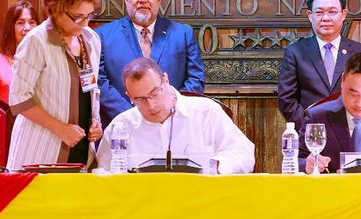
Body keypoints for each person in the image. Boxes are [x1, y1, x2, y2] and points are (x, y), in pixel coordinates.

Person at [7, 0, 103, 171]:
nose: (85, 23)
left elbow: (92, 88)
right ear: (57, 9)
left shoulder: (91, 39)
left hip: (82, 148)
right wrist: (61, 129)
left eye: (89, 16)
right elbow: (18, 98)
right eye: (77, 17)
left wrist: (96, 122)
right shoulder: (36, 41)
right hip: (41, 149)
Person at [97, 57, 254, 174]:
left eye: (154, 93)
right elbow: (102, 173)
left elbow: (243, 154)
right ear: (129, 96)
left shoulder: (206, 113)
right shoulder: (121, 126)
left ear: (165, 80)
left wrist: (215, 168)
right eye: (140, 99)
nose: (151, 105)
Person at [96, 0, 204, 128]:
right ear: (126, 0)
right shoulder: (103, 36)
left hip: (173, 125)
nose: (142, 0)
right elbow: (100, 82)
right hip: (123, 126)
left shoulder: (183, 34)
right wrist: (131, 115)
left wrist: (170, 109)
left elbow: (195, 79)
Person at [278, 0, 361, 127]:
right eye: (319, 12)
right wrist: (311, 128)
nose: (326, 18)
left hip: (350, 131)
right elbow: (287, 100)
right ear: (310, 15)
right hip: (310, 134)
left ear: (343, 14)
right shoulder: (295, 52)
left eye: (332, 12)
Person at [0, 0, 39, 103]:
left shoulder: (46, 62)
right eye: (20, 23)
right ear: (11, 28)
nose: (27, 28)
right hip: (5, 118)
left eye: (32, 22)